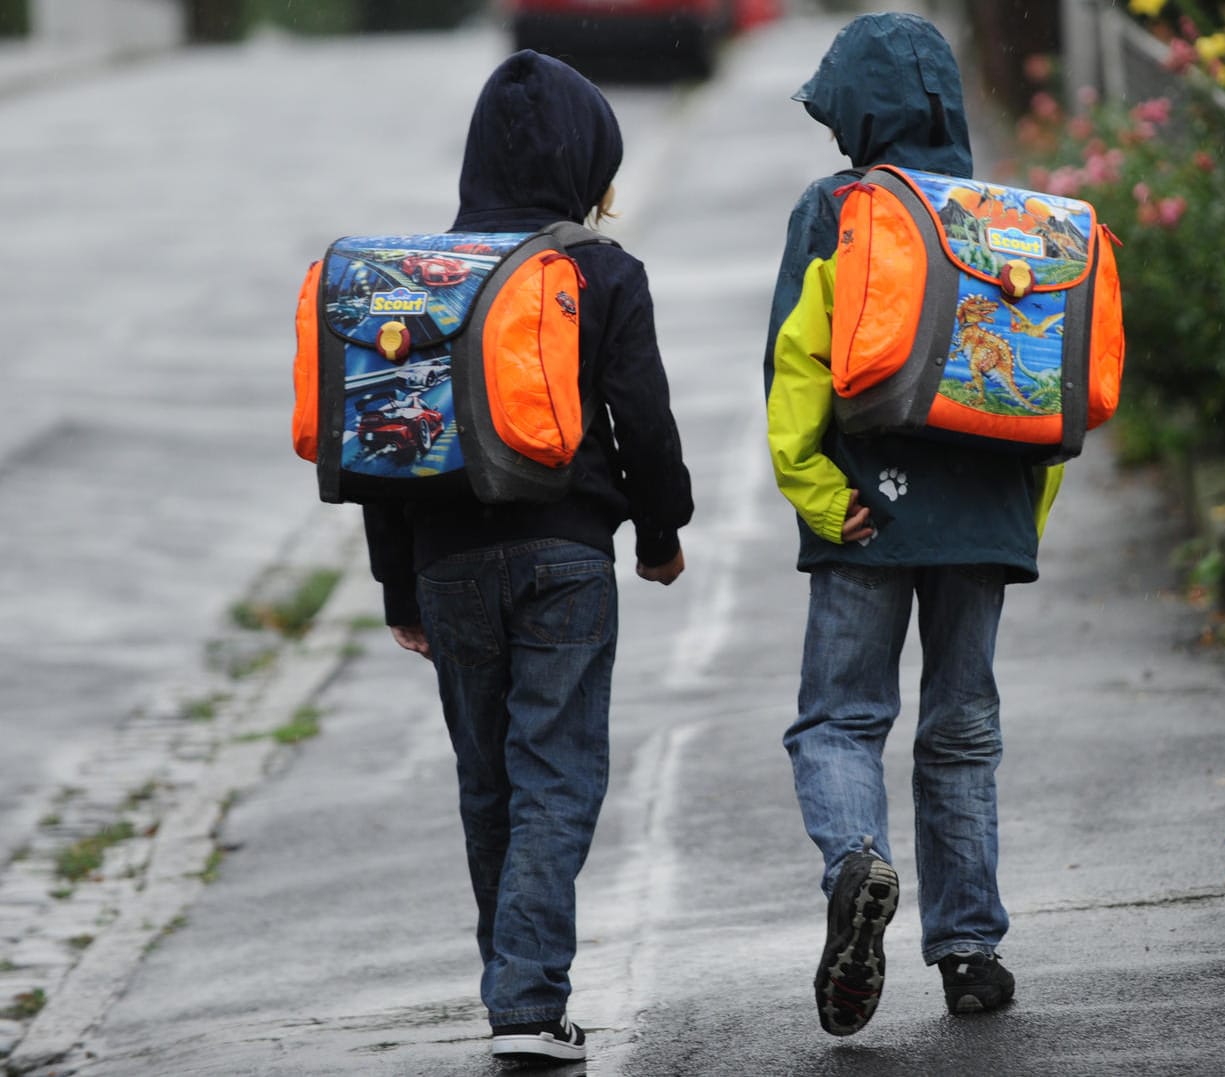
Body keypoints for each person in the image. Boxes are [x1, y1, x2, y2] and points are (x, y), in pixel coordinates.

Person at [364, 50, 693, 1066]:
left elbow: (385, 442)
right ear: (590, 161)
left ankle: (514, 990)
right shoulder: (601, 271)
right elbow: (643, 418)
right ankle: (527, 999)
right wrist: (659, 531)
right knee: (556, 776)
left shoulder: (420, 281)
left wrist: (396, 585)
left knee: (487, 785)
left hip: (450, 564)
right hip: (566, 556)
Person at [763, 12, 1063, 1036]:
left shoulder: (839, 208)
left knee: (841, 717)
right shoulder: (1008, 217)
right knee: (962, 732)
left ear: (860, 112)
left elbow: (798, 360)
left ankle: (857, 862)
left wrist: (812, 488)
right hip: (986, 514)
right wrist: (1020, 516)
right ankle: (971, 950)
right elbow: (1051, 396)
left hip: (865, 509)